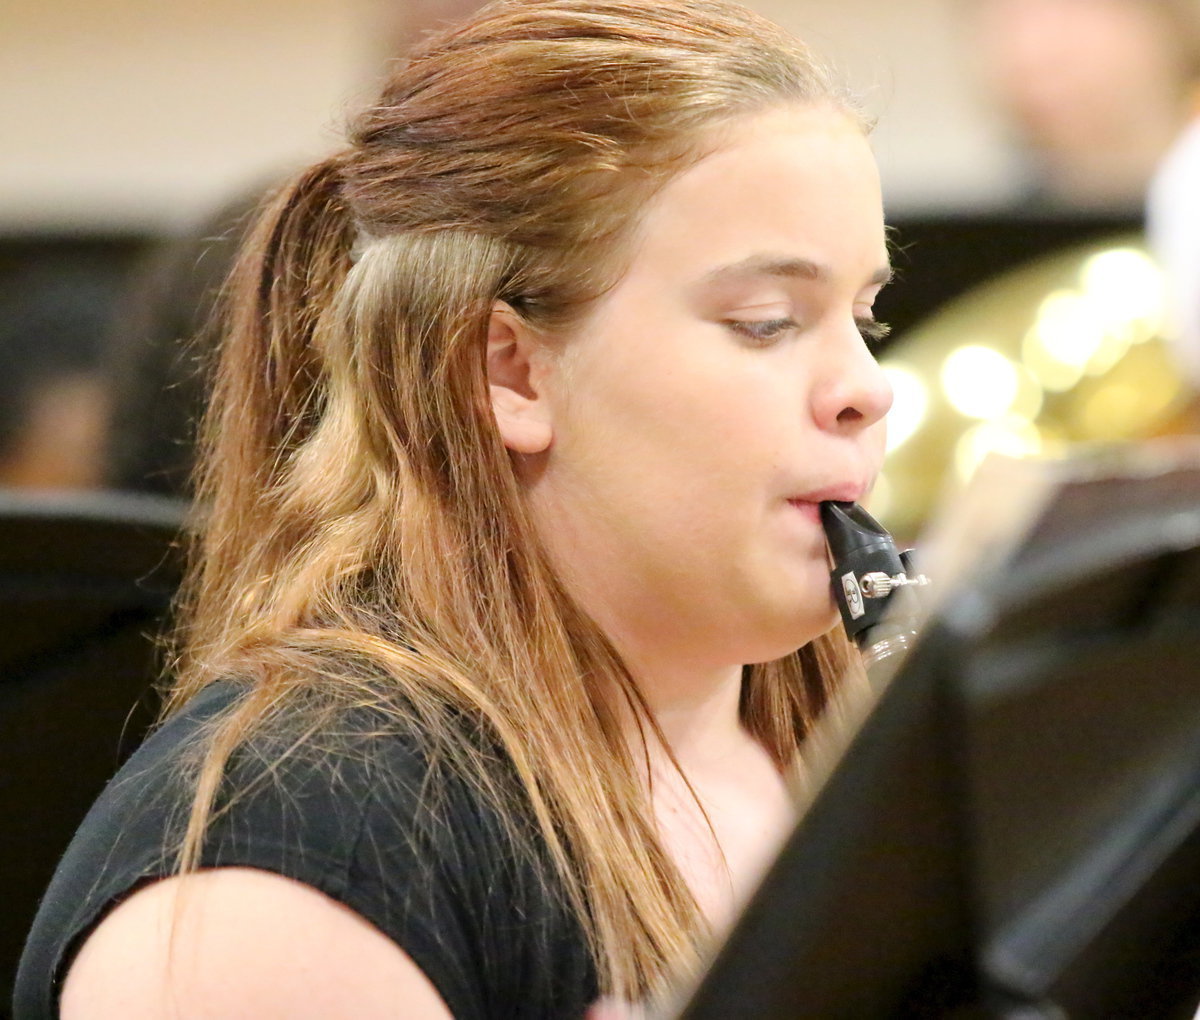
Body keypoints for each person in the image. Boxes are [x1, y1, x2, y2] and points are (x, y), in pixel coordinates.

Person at [14, 0, 893, 1015]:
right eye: (767, 322)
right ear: (509, 372)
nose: (866, 388)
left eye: (865, 317)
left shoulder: (851, 730)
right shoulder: (290, 865)